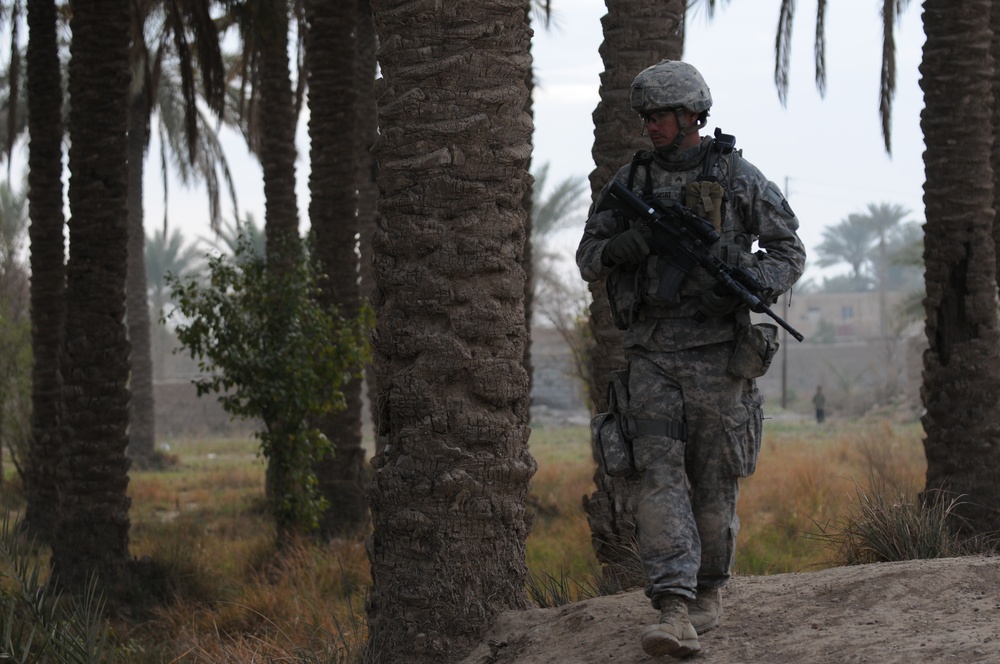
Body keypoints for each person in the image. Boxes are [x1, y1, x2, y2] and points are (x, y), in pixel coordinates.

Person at [577, 60, 806, 659]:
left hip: (718, 356)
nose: (650, 126)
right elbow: (589, 255)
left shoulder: (737, 177)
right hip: (652, 354)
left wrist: (748, 280)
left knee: (714, 480)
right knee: (657, 474)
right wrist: (619, 247)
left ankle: (708, 592)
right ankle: (672, 604)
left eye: (660, 117)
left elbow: (788, 248)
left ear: (691, 117)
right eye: (646, 117)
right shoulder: (632, 182)